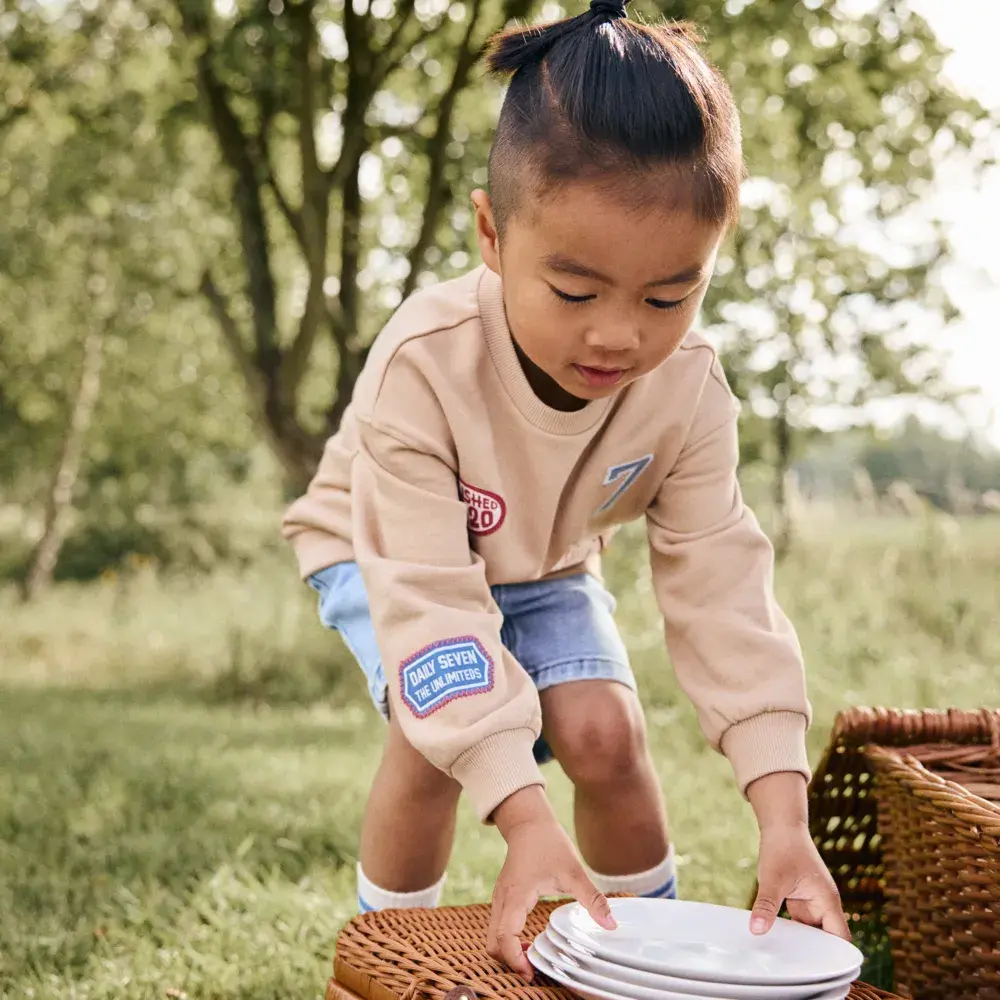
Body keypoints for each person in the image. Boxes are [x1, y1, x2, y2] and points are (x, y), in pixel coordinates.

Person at [282, 0, 849, 982]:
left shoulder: (688, 389)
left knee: (601, 729)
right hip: (380, 547)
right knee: (431, 743)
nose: (619, 336)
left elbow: (721, 589)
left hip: (540, 557)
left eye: (669, 295)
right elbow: (428, 604)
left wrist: (782, 813)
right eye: (577, 292)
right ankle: (383, 954)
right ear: (492, 234)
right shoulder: (422, 363)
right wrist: (524, 817)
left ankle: (646, 955)